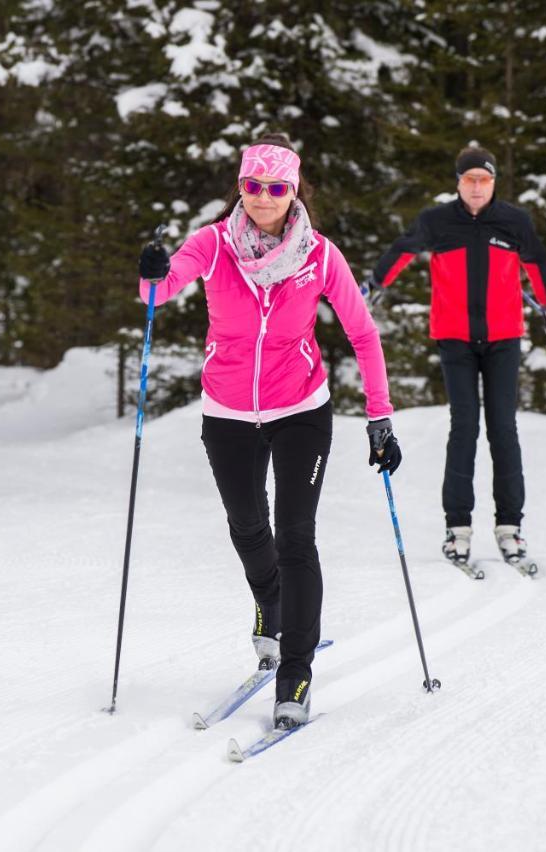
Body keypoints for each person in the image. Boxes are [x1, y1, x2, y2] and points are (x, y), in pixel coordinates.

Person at [138, 134, 400, 729]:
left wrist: (379, 416)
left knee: (295, 539)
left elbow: (362, 334)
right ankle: (269, 604)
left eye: (276, 188)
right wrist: (153, 275)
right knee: (247, 526)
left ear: (293, 192)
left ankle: (296, 673)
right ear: (240, 187)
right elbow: (161, 289)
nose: (263, 198)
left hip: (301, 408)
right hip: (228, 410)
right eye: (253, 186)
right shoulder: (212, 243)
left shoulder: (320, 256)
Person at [370, 146, 546, 571]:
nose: (477, 186)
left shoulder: (514, 221)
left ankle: (509, 527)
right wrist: (376, 284)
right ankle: (457, 529)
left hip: (504, 339)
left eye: (484, 179)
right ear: (458, 182)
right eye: (469, 179)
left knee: (503, 429)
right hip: (455, 339)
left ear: (493, 183)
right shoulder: (437, 221)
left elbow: (537, 260)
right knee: (464, 429)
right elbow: (404, 248)